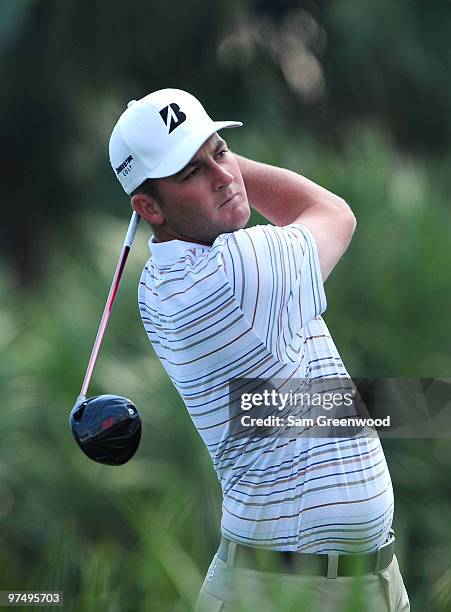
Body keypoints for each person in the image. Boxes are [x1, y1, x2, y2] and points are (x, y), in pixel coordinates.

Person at [108, 88, 409, 611]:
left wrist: (186, 152)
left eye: (221, 151)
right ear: (147, 206)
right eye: (190, 174)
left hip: (360, 583)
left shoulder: (160, 280)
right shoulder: (235, 273)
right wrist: (450, 407)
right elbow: (333, 213)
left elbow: (309, 411)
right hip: (282, 590)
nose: (224, 176)